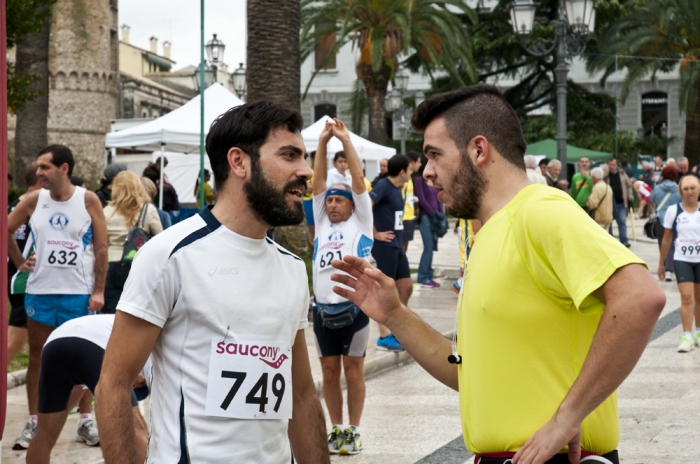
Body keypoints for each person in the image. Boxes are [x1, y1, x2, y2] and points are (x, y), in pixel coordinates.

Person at [330, 85, 664, 464]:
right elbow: (468, 375)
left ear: (478, 150)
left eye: (435, 155)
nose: (427, 173)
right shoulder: (489, 234)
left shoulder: (540, 210)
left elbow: (641, 297)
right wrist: (394, 316)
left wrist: (566, 417)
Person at [96, 101, 328, 464]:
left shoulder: (293, 268)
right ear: (239, 162)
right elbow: (114, 384)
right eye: (290, 155)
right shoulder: (169, 256)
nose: (306, 171)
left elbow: (301, 394)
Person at [7, 144, 108, 450]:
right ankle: (35, 421)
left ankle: (85, 419)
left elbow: (102, 249)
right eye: (38, 167)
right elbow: (6, 228)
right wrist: (19, 261)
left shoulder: (88, 200)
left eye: (45, 167)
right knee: (38, 356)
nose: (38, 173)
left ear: (64, 168)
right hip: (40, 290)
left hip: (78, 292)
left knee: (84, 358)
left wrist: (99, 290)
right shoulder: (34, 200)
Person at [312, 118, 373, 455]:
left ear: (351, 205)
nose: (333, 204)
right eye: (330, 201)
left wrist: (345, 140)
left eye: (340, 200)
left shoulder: (361, 222)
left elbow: (359, 181)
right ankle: (336, 429)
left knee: (353, 372)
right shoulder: (321, 223)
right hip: (323, 311)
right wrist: (322, 143)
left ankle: (355, 429)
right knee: (329, 371)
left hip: (355, 310)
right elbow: (318, 184)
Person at [25, 314, 151, 464]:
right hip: (93, 344)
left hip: (55, 343)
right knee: (134, 429)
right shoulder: (151, 354)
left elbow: (77, 385)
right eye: (138, 384)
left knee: (44, 432)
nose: (133, 387)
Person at [369, 154, 414, 352]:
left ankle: (396, 325)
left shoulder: (397, 188)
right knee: (385, 289)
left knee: (406, 286)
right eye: (410, 170)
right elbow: (364, 207)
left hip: (396, 243)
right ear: (402, 171)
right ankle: (383, 336)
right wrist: (375, 233)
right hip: (384, 245)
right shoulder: (383, 186)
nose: (412, 173)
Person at [103, 171, 163, 314]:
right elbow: (162, 240)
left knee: (111, 313)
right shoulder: (148, 210)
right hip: (138, 265)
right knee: (136, 312)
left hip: (110, 265)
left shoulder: (106, 211)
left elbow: (101, 243)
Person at [658, 175, 700, 352]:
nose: (689, 192)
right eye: (686, 189)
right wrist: (661, 263)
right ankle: (687, 336)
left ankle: (698, 331)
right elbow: (667, 239)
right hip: (682, 259)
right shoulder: (673, 211)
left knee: (699, 299)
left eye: (693, 188)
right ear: (681, 191)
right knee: (686, 298)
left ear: (698, 190)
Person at [7, 163, 41, 366]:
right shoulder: (34, 205)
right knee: (14, 344)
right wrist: (21, 262)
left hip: (14, 279)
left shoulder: (14, 204)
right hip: (23, 281)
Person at [414, 160, 444, 287]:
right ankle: (423, 276)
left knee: (432, 247)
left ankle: (428, 274)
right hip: (426, 217)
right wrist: (432, 213)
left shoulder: (435, 180)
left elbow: (439, 199)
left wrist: (440, 215)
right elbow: (421, 199)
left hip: (436, 218)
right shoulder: (419, 180)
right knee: (428, 247)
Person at [649, 165, 681, 282]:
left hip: (660, 218)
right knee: (671, 243)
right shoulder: (679, 188)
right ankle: (669, 269)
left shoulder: (657, 188)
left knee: (662, 243)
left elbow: (651, 199)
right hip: (674, 220)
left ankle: (663, 265)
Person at [604, 158, 633, 247]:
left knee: (622, 221)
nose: (612, 167)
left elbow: (629, 185)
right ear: (607, 165)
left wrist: (630, 194)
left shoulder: (622, 173)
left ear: (616, 165)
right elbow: (599, 180)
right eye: (610, 165)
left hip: (621, 202)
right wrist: (606, 171)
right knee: (609, 222)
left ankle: (624, 240)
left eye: (614, 165)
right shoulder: (605, 175)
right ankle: (610, 241)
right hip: (609, 203)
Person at [402, 151, 422, 252]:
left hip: (409, 216)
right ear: (412, 163)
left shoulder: (410, 178)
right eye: (418, 162)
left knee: (405, 247)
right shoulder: (403, 177)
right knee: (401, 247)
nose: (420, 164)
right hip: (402, 217)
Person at [303, 150, 316, 238]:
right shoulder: (308, 171)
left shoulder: (322, 173)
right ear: (312, 159)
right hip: (308, 202)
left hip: (317, 203)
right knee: (311, 228)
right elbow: (307, 188)